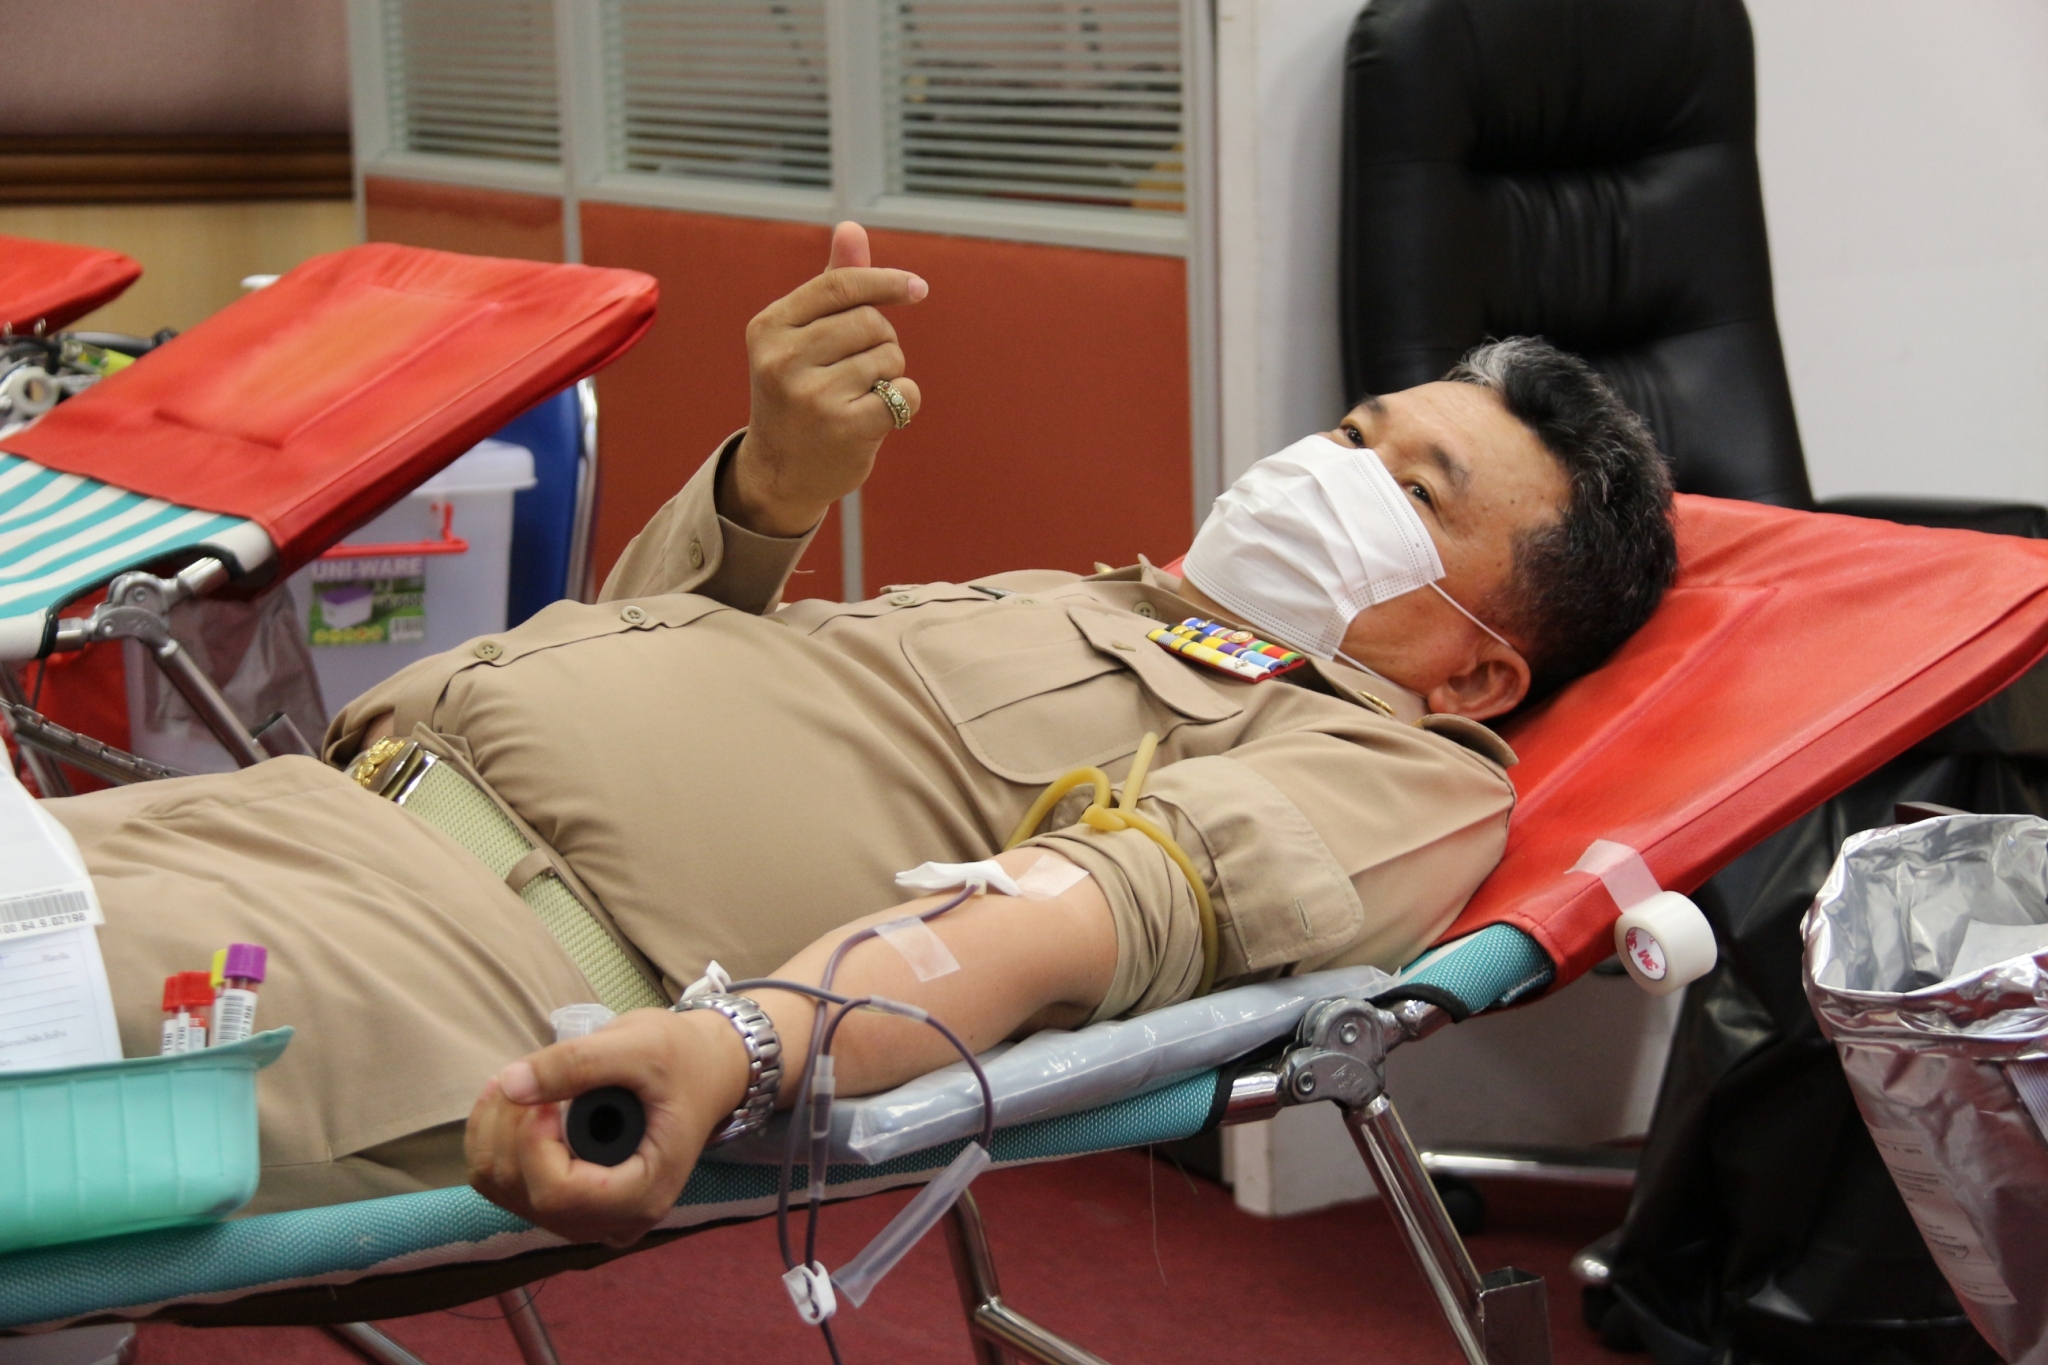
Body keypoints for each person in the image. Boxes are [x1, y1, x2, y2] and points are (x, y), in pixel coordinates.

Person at [53, 223, 1675, 1246]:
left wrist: (741, 1048)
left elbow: (1065, 920)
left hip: (441, 964)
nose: (1330, 473)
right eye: (1350, 433)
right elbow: (641, 650)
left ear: (1481, 674)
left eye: (1411, 493)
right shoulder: (1113, 603)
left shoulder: (1398, 768)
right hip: (298, 807)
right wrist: (773, 486)